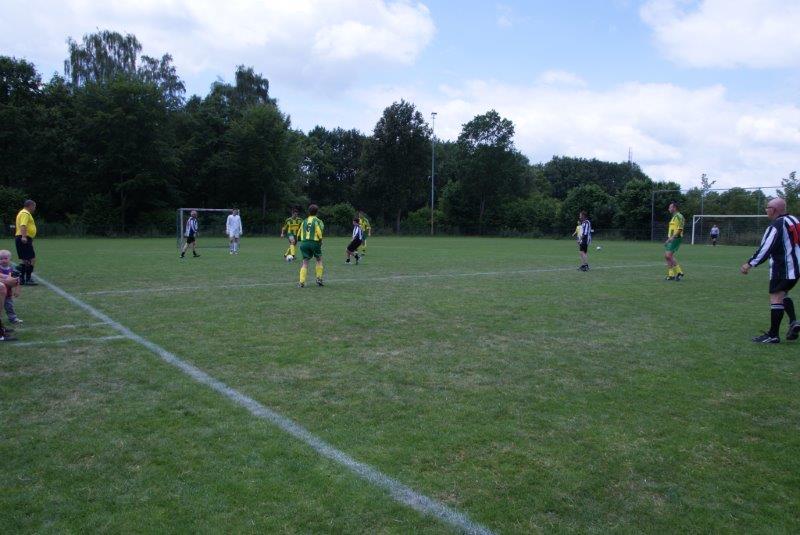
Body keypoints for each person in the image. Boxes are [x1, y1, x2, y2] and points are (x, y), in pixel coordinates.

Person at [740, 198, 800, 343]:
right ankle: (793, 322)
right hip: (796, 266)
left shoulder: (776, 225)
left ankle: (773, 335)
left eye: (767, 207)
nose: (766, 210)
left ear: (773, 210)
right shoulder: (794, 220)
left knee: (776, 298)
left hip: (783, 268)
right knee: (783, 294)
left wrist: (749, 263)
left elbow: (766, 248)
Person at [297, 204, 325, 287]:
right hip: (314, 242)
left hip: (304, 243)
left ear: (308, 212)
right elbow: (319, 231)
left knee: (305, 262)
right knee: (319, 260)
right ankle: (319, 279)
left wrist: (300, 240)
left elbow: (299, 233)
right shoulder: (318, 221)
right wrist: (320, 240)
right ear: (317, 212)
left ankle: (301, 282)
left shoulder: (304, 221)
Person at [15, 199, 37, 285]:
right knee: (32, 259)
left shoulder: (22, 212)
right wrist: (24, 237)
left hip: (23, 238)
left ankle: (22, 279)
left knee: (25, 260)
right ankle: (28, 279)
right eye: (34, 206)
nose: (34, 208)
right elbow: (23, 225)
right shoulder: (25, 213)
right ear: (30, 206)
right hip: (23, 237)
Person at [0, 249, 22, 324]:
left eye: (5, 258)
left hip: (8, 293)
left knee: (9, 307)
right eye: (1, 259)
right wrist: (6, 277)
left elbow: (17, 280)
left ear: (10, 259)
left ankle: (13, 318)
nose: (3, 260)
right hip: (0, 293)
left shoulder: (12, 270)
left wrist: (17, 290)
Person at [664, 201, 685, 281]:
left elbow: (680, 229)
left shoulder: (679, 216)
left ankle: (680, 272)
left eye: (670, 207)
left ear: (674, 208)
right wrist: (669, 238)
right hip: (672, 238)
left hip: (676, 238)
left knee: (668, 256)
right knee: (667, 256)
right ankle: (671, 275)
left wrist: (672, 237)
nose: (669, 209)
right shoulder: (674, 216)